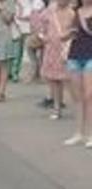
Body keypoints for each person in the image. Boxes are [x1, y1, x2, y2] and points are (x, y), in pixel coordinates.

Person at [38, 0, 75, 118]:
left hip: (66, 50)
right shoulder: (49, 11)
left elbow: (76, 31)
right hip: (52, 48)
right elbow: (40, 26)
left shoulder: (72, 13)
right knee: (54, 79)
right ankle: (56, 107)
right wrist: (43, 37)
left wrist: (69, 35)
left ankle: (80, 106)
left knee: (70, 80)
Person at [64, 0, 92, 146]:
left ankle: (90, 134)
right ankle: (78, 133)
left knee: (89, 95)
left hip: (90, 55)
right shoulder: (74, 12)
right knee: (77, 97)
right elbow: (68, 32)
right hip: (74, 54)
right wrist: (67, 34)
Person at [10, 0, 43, 81]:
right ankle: (14, 72)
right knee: (18, 51)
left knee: (31, 52)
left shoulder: (36, 2)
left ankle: (34, 74)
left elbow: (34, 15)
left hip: (31, 30)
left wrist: (22, 16)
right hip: (18, 28)